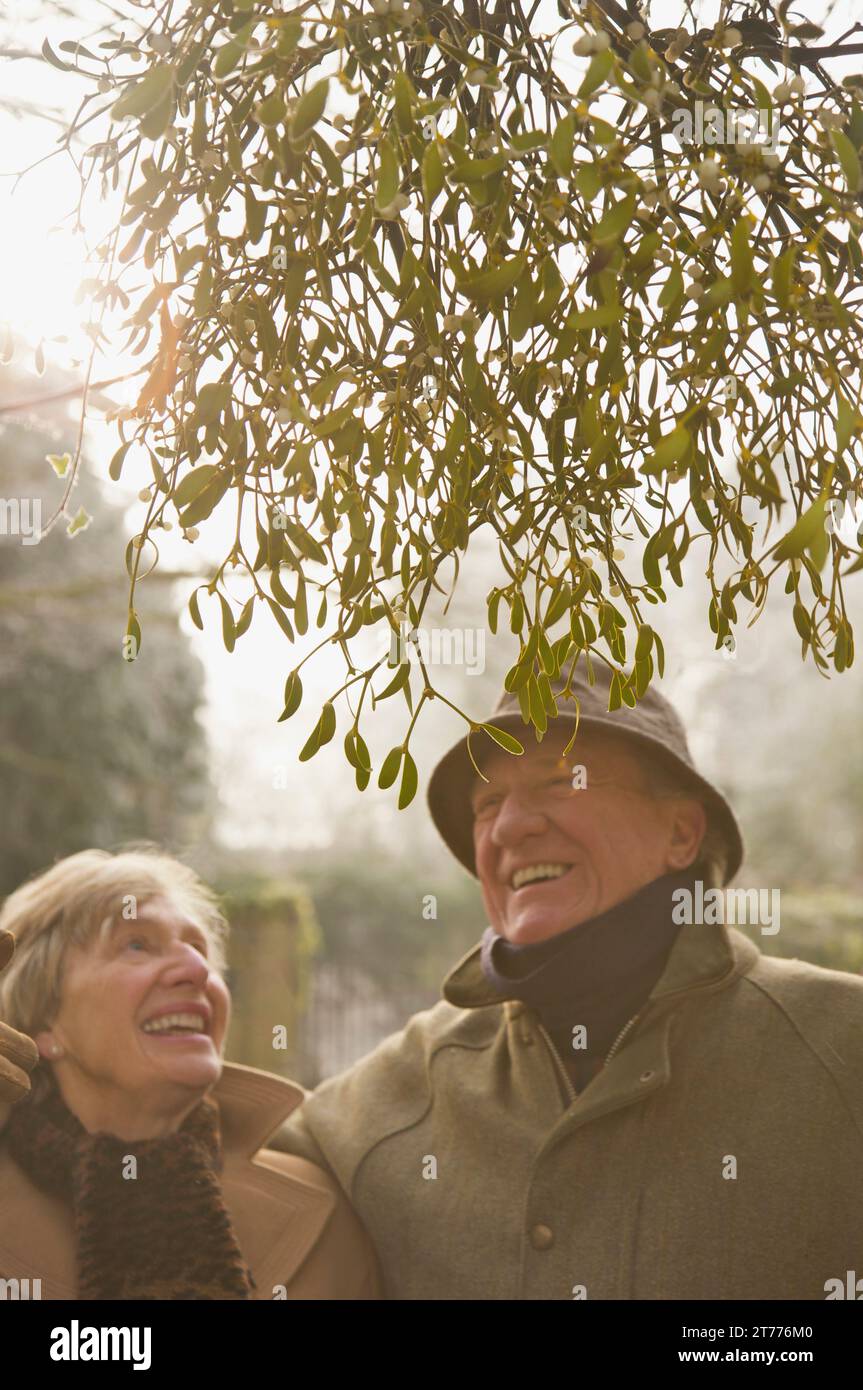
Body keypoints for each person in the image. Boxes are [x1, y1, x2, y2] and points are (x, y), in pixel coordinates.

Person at [262, 662, 863, 1300]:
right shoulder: (403, 1085)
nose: (509, 827)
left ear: (681, 832)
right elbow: (223, 1161)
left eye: (560, 781)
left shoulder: (842, 1048)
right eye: (487, 804)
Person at [0, 848, 380, 1300]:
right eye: (136, 945)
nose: (199, 971)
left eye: (199, 949)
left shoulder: (325, 1208)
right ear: (41, 1020)